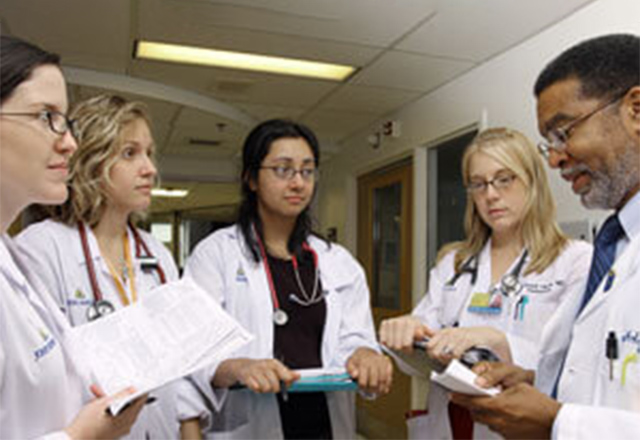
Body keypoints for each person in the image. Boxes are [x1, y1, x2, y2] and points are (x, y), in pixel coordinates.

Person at [450, 33, 640, 439]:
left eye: (563, 132)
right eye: (548, 143)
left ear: (635, 110)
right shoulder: (616, 246)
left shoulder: (586, 255)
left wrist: (557, 422)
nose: (555, 159)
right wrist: (534, 379)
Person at [183, 118, 392, 439]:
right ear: (251, 178)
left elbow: (354, 337)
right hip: (252, 425)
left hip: (325, 424)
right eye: (283, 169)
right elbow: (196, 350)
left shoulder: (338, 262)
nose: (298, 182)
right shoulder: (215, 255)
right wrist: (241, 368)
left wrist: (364, 355)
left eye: (307, 171)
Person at [379, 128, 593, 439]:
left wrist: (497, 340)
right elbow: (418, 366)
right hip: (450, 421)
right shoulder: (454, 263)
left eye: (505, 179)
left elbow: (579, 368)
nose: (491, 194)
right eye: (478, 184)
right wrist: (407, 336)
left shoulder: (575, 261)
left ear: (532, 182)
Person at [15, 94, 208, 439]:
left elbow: (180, 374)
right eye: (130, 153)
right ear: (91, 161)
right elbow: (38, 378)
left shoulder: (157, 256)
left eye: (149, 153)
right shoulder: (42, 249)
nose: (149, 168)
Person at [0, 35, 147, 439]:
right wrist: (81, 437)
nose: (70, 143)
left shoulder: (13, 261)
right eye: (46, 117)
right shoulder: (39, 249)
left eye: (65, 121)